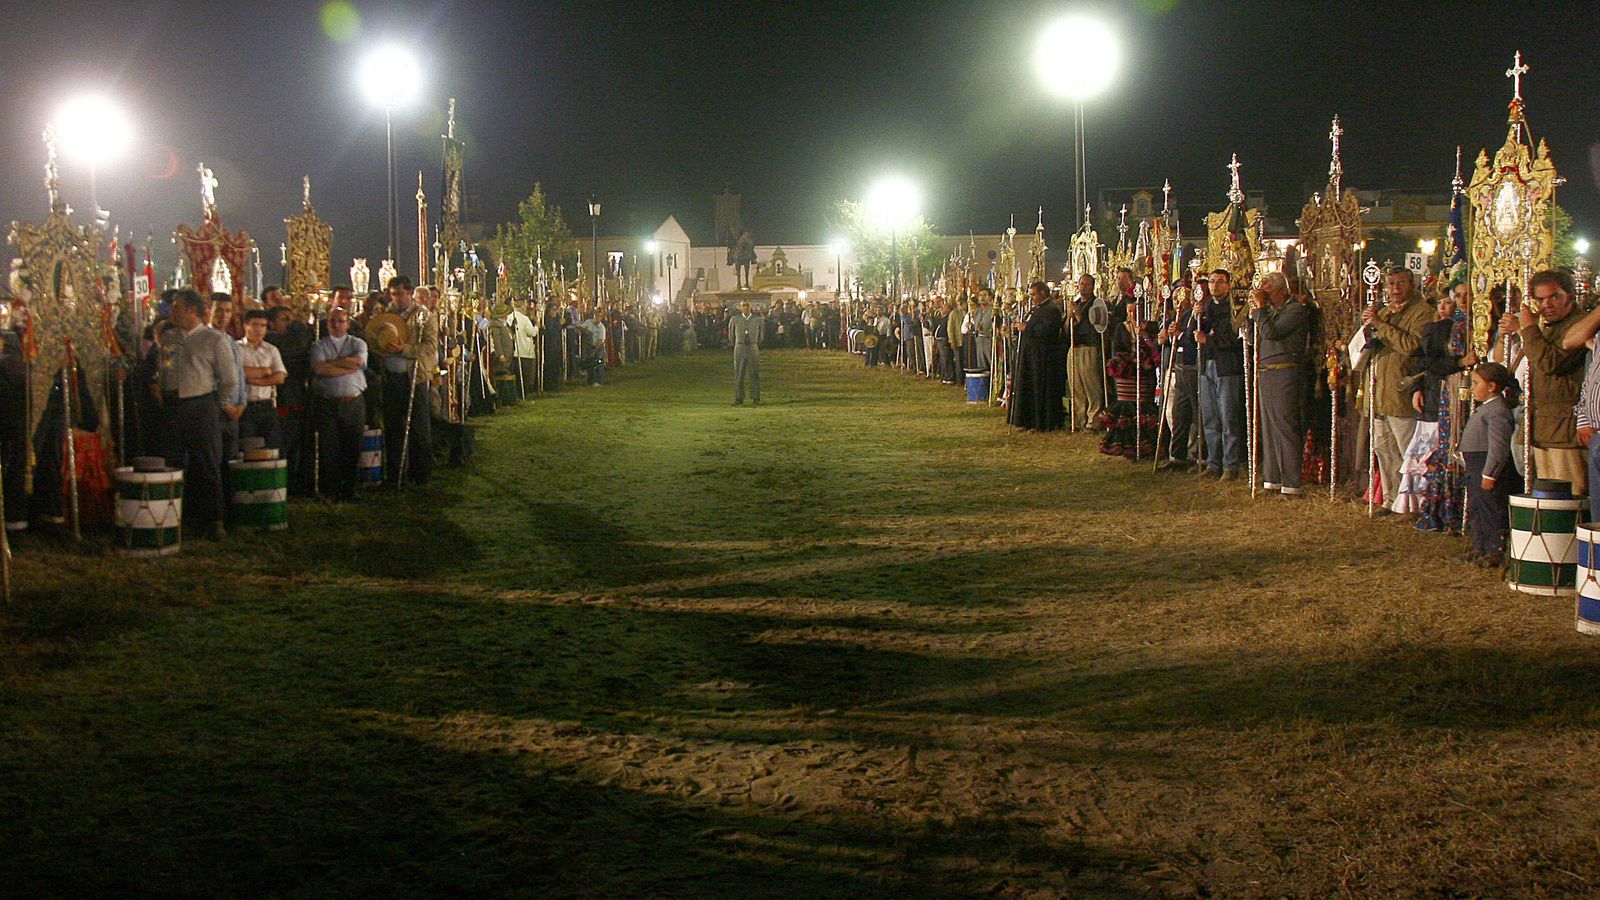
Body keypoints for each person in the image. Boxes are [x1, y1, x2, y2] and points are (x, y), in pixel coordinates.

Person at [1502, 268, 1587, 495]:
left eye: (1554, 297)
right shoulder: (1548, 327)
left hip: (1566, 429)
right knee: (1548, 496)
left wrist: (1527, 328)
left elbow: (1549, 362)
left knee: (1570, 494)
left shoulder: (1579, 325)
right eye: (1540, 299)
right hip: (1545, 426)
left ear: (1569, 296)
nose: (1546, 305)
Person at [169, 289, 239, 539]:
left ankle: (213, 519)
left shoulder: (213, 340)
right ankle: (178, 516)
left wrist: (218, 402)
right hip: (175, 406)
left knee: (207, 462)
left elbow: (229, 379)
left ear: (191, 310)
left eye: (177, 307)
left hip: (202, 405)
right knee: (175, 461)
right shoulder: (171, 338)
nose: (172, 312)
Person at [1361, 267, 1432, 509]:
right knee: (1384, 452)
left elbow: (1411, 345)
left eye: (1401, 283)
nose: (1395, 289)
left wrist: (1381, 325)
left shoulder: (1423, 312)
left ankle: (1413, 504)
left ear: (1412, 285)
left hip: (1402, 393)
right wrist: (1369, 329)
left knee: (1407, 453)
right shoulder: (1385, 311)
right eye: (1391, 284)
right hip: (1380, 393)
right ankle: (1391, 500)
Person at [1409, 281, 1472, 532]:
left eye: (1466, 295)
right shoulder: (1440, 330)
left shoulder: (1481, 322)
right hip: (1452, 392)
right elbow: (1431, 363)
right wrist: (1459, 362)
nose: (1461, 301)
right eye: (1457, 296)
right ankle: (1448, 510)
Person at [1249, 272, 1311, 496]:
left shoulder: (1294, 310)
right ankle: (1272, 479)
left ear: (1281, 291)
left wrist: (1259, 309)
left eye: (1268, 289)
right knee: (1268, 427)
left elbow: (1270, 332)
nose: (1263, 293)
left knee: (1285, 427)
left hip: (1285, 373)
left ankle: (1292, 482)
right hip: (1267, 373)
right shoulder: (1271, 311)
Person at [379, 275, 436, 487]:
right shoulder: (386, 316)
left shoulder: (424, 316)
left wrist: (406, 349)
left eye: (400, 293)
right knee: (393, 427)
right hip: (391, 378)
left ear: (410, 293)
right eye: (393, 294)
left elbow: (429, 347)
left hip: (414, 378)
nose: (397, 298)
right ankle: (394, 473)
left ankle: (420, 474)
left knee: (419, 427)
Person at [1460, 362, 1519, 567]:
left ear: (1492, 386)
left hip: (1484, 464)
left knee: (1490, 508)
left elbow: (1498, 447)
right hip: (1475, 464)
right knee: (1477, 507)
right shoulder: (1487, 408)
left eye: (1477, 383)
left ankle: (1495, 549)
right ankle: (1480, 545)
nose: (1473, 387)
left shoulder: (1497, 411)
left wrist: (1490, 474)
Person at [309, 307, 368, 502]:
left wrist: (332, 364)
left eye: (341, 321)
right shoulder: (318, 345)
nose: (337, 324)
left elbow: (358, 362)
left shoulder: (358, 343)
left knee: (352, 446)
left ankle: (350, 489)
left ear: (348, 324)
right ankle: (331, 489)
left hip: (353, 402)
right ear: (327, 323)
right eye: (333, 321)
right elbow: (319, 368)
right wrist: (346, 366)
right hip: (328, 403)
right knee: (329, 447)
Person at [1196, 270, 1246, 479]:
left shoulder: (1235, 309)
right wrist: (1195, 316)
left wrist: (1209, 340)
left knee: (1228, 417)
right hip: (1206, 366)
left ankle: (1230, 464)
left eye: (1219, 282)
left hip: (1227, 369)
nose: (1215, 285)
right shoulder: (1206, 307)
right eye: (1212, 282)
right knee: (1210, 418)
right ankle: (1213, 462)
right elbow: (1194, 336)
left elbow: (1234, 339)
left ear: (1228, 285)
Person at [1007, 281, 1066, 431]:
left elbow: (1046, 330)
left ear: (1042, 293)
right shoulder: (1036, 309)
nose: (1032, 297)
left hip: (1043, 357)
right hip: (1031, 356)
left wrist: (1026, 328)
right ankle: (1029, 421)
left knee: (1041, 390)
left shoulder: (1052, 309)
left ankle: (1042, 422)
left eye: (1034, 294)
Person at [237, 309, 286, 450]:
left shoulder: (271, 350)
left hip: (267, 407)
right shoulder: (236, 348)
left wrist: (253, 379)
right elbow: (237, 373)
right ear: (245, 325)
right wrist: (265, 371)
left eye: (263, 325)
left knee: (272, 449)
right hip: (245, 406)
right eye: (255, 325)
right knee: (248, 449)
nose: (259, 329)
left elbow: (279, 377)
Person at [1065, 274, 1105, 431]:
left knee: (1091, 386)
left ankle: (1093, 420)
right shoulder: (1074, 304)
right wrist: (1069, 318)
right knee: (1076, 387)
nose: (1083, 287)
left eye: (1087, 284)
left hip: (1088, 348)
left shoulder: (1096, 304)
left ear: (1092, 286)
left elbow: (1092, 328)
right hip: (1074, 348)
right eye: (1081, 284)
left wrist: (1078, 315)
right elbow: (1067, 330)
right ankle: (1078, 419)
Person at [211, 293, 246, 467]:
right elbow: (212, 376)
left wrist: (241, 403)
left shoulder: (231, 341)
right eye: (218, 310)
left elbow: (239, 374)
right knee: (215, 458)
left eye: (228, 311)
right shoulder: (206, 340)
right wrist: (225, 404)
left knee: (231, 460)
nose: (223, 315)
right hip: (216, 409)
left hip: (234, 411)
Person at [729, 298, 762, 405]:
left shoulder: (758, 319)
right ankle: (739, 398)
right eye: (743, 305)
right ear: (740, 307)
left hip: (753, 347)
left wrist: (755, 342)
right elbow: (731, 335)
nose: (745, 307)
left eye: (747, 305)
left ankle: (755, 397)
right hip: (740, 347)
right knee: (739, 374)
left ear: (750, 306)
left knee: (754, 373)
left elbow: (762, 335)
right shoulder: (735, 319)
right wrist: (738, 343)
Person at [505, 297, 539, 399]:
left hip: (514, 351)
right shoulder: (524, 319)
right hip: (524, 350)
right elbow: (531, 332)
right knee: (525, 375)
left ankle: (519, 393)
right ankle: (524, 392)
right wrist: (537, 326)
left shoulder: (508, 317)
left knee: (518, 374)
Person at [580, 307, 608, 385]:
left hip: (598, 347)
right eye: (596, 316)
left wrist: (594, 351)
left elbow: (600, 341)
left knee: (598, 362)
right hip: (589, 345)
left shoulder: (602, 328)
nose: (597, 318)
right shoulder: (588, 322)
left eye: (599, 316)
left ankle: (598, 380)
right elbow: (581, 328)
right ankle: (590, 380)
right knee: (590, 363)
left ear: (601, 318)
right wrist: (586, 331)